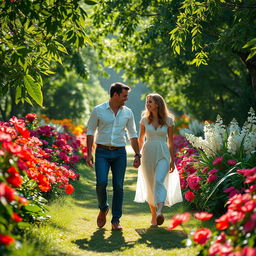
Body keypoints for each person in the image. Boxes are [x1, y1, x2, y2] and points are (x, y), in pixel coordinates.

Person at [86, 82, 141, 231]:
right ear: (115, 94)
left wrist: (137, 154)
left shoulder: (128, 112)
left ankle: (116, 220)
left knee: (118, 186)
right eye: (124, 96)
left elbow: (133, 134)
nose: (126, 99)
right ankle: (103, 208)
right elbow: (90, 131)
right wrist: (88, 153)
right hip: (102, 152)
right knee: (101, 183)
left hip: (119, 153)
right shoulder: (98, 110)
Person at [134, 93, 183, 226]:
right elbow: (140, 140)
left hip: (163, 153)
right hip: (148, 153)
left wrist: (172, 160)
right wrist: (137, 155)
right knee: (150, 184)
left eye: (150, 102)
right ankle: (154, 215)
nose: (148, 104)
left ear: (157, 104)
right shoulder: (144, 120)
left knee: (159, 181)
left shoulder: (169, 120)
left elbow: (171, 142)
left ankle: (160, 211)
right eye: (147, 102)